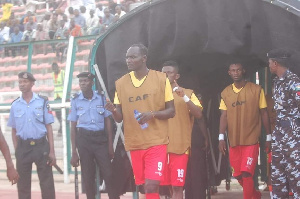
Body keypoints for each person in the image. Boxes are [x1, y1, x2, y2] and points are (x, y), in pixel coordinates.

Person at [105, 44, 175, 199]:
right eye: (127, 57)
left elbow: (171, 111)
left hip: (156, 141)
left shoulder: (161, 79)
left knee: (152, 184)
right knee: (146, 187)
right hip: (135, 142)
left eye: (133, 57)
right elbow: (119, 118)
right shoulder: (121, 83)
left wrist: (153, 114)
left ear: (144, 59)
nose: (128, 60)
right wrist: (113, 111)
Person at [218, 61, 271, 199]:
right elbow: (224, 116)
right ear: (229, 73)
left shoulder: (256, 89)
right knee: (238, 175)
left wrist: (269, 137)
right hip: (234, 140)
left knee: (247, 173)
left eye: (238, 70)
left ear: (243, 71)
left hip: (251, 139)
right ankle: (255, 195)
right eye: (233, 70)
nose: (236, 73)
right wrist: (221, 138)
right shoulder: (225, 93)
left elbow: (264, 112)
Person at [68, 72, 119, 199]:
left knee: (109, 173)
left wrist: (110, 145)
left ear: (92, 82)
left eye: (85, 81)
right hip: (84, 140)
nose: (82, 84)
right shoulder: (75, 100)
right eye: (80, 81)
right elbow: (73, 125)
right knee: (88, 175)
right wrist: (73, 151)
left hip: (100, 139)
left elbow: (108, 121)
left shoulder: (101, 98)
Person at [7, 72, 56, 199]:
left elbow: (48, 127)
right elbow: (13, 130)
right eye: (20, 82)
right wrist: (17, 149)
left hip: (41, 146)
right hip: (23, 147)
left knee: (47, 183)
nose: (21, 84)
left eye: (25, 82)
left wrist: (52, 151)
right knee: (22, 184)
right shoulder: (15, 105)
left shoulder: (42, 101)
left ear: (32, 83)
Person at [160, 60, 203, 199]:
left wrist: (183, 96)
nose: (166, 75)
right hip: (160, 147)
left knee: (178, 186)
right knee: (164, 188)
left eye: (169, 72)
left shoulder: (188, 93)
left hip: (180, 146)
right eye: (163, 73)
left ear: (177, 76)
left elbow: (198, 114)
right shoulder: (155, 95)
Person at [267, 48, 300, 198]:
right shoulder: (277, 82)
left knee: (296, 174)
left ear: (275, 63)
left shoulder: (293, 81)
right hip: (279, 133)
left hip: (293, 134)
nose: (268, 66)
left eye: (269, 63)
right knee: (277, 175)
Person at [52, 62, 65, 135]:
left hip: (62, 96)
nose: (54, 70)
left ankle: (62, 128)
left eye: (55, 68)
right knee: (57, 114)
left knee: (62, 113)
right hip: (56, 96)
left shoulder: (63, 73)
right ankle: (61, 126)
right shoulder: (53, 74)